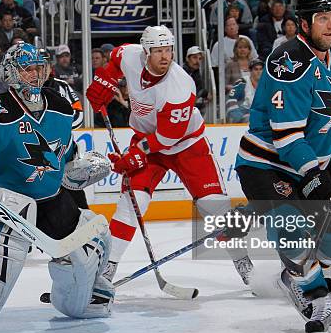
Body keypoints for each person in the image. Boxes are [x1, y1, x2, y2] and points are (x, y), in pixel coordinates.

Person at [0, 42, 114, 333]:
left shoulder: (60, 107)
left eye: (38, 68)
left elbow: (64, 152)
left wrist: (76, 166)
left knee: (93, 237)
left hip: (51, 198)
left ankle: (83, 298)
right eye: (27, 68)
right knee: (4, 249)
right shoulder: (0, 109)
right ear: (12, 73)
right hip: (8, 205)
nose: (34, 74)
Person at [234, 0, 331, 333]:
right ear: (304, 24)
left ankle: (297, 273)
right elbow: (287, 137)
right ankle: (316, 295)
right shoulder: (288, 63)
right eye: (321, 19)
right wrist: (314, 176)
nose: (330, 25)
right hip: (268, 165)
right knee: (292, 229)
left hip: (312, 162)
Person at [85, 25, 253, 288]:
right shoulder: (131, 55)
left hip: (187, 147)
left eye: (169, 50)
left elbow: (167, 138)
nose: (165, 57)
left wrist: (135, 155)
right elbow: (116, 58)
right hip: (147, 142)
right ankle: (106, 269)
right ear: (146, 51)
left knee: (214, 210)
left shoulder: (180, 86)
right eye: (159, 51)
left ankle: (244, 263)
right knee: (131, 205)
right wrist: (105, 78)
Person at [182, 45, 209, 113]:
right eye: (194, 57)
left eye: (200, 59)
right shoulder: (183, 72)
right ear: (187, 59)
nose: (198, 61)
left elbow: (199, 90)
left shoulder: (196, 72)